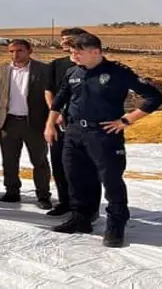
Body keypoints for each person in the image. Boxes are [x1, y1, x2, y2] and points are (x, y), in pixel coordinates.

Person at [46, 33, 162, 247]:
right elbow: (59, 100)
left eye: (77, 52)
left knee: (111, 180)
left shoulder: (118, 72)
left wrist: (127, 120)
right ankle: (81, 218)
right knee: (75, 177)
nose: (73, 56)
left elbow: (154, 97)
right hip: (73, 133)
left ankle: (116, 223)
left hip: (103, 134)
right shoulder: (72, 72)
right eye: (72, 52)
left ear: (95, 52)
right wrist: (50, 124)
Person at [0, 39, 53, 210]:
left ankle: (43, 195)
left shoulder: (44, 70)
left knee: (39, 161)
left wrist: (50, 122)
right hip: (8, 122)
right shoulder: (0, 69)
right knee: (9, 160)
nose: (15, 54)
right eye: (11, 51)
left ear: (29, 51)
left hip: (34, 123)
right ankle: (12, 192)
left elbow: (52, 96)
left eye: (19, 50)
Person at [44, 28, 101, 218]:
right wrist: (55, 115)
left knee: (87, 167)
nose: (64, 43)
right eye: (62, 40)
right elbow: (49, 91)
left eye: (68, 40)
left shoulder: (94, 65)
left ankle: (90, 208)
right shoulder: (57, 65)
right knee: (60, 163)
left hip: (85, 124)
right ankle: (65, 202)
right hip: (61, 122)